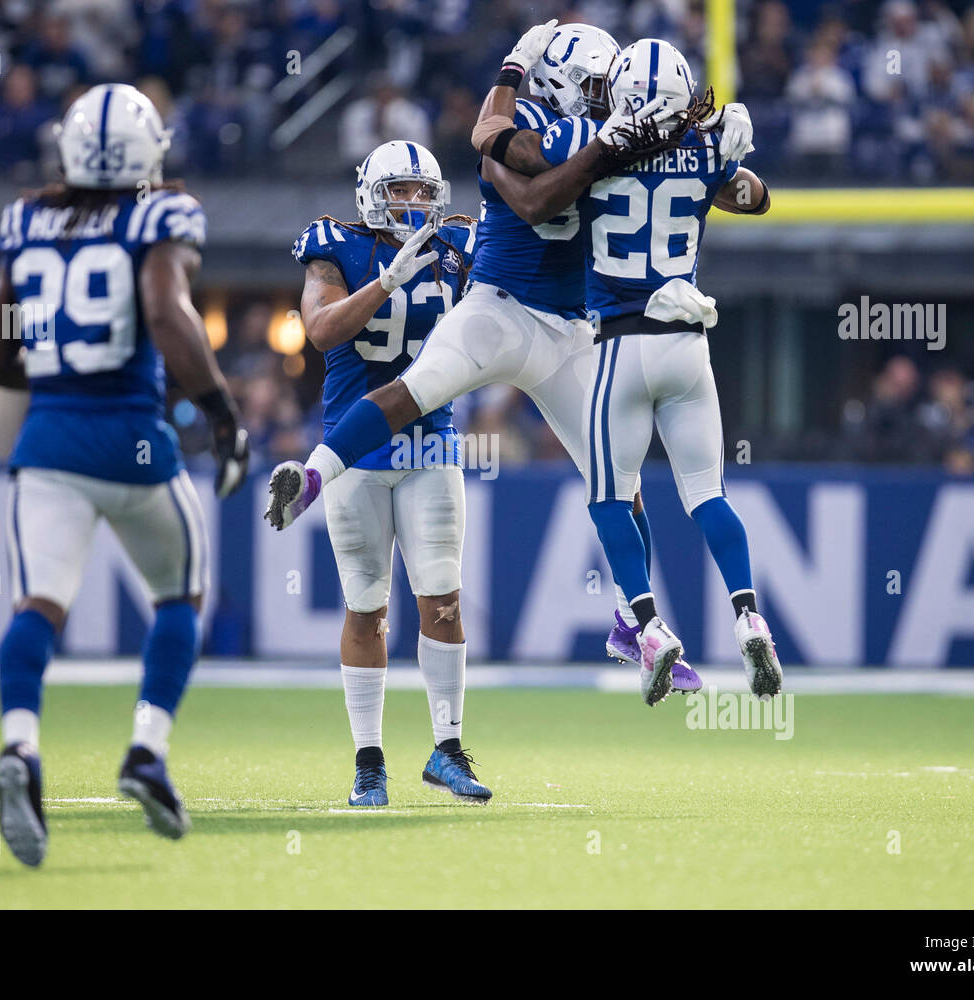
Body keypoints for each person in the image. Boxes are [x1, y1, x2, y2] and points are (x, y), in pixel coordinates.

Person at [265, 22, 702, 692]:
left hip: (567, 330)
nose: (605, 96)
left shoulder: (616, 133)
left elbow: (703, 180)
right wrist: (536, 90)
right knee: (415, 389)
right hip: (497, 306)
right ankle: (316, 476)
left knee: (622, 473)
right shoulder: (523, 123)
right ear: (556, 81)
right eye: (593, 85)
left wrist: (706, 135)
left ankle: (632, 621)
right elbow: (531, 195)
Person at [0, 83, 250, 868]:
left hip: (48, 442)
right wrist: (222, 415)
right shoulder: (161, 213)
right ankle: (146, 749)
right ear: (146, 151)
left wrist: (61, 373)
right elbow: (165, 311)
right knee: (181, 594)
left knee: (38, 607)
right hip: (131, 440)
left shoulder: (25, 218)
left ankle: (20, 748)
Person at [484, 38, 783, 703]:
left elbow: (499, 143)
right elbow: (758, 199)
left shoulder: (591, 142)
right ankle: (748, 616)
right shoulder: (706, 148)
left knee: (609, 496)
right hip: (686, 342)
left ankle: (647, 626)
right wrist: (724, 135)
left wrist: (513, 71)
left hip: (617, 344)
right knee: (707, 495)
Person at [292, 140, 488, 806]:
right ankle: (369, 761)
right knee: (367, 608)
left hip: (430, 439)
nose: (412, 203)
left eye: (421, 191)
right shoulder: (335, 247)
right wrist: (385, 283)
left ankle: (448, 748)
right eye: (399, 190)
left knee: (443, 596)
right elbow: (318, 331)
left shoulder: (459, 246)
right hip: (355, 450)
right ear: (372, 194)